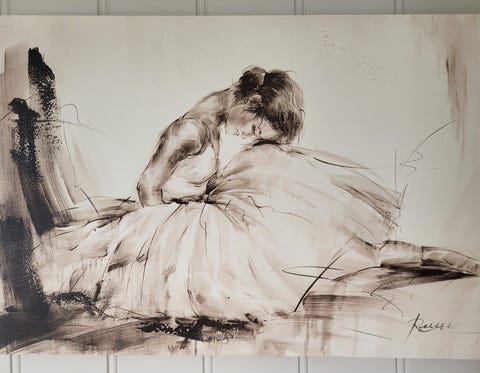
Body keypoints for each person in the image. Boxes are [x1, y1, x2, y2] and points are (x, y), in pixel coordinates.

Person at [39, 66, 479, 323]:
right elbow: (146, 186)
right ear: (248, 106)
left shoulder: (220, 112)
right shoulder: (190, 130)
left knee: (301, 224)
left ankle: (413, 254)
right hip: (170, 220)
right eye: (252, 127)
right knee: (275, 259)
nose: (247, 135)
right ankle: (409, 255)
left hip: (204, 215)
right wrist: (157, 242)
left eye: (255, 132)